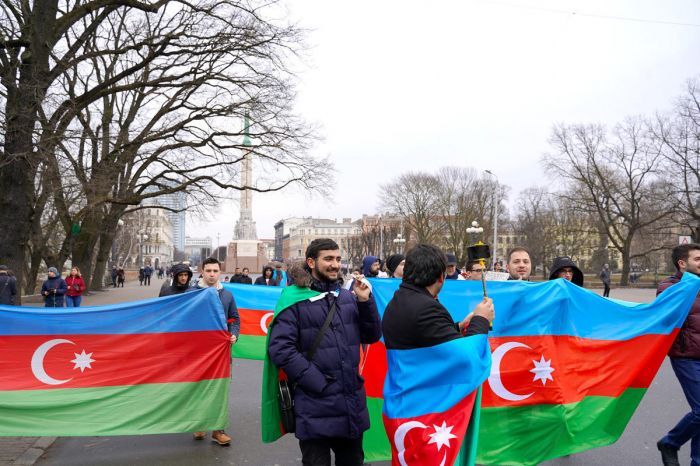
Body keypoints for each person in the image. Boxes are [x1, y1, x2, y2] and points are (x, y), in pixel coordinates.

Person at [268, 238, 382, 465]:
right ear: (311, 262)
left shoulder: (349, 298)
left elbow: (371, 336)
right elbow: (280, 349)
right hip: (314, 403)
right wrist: (317, 381)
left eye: (338, 259)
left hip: (350, 403)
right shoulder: (293, 301)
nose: (335, 264)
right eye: (328, 259)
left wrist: (365, 302)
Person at [382, 244, 494, 349]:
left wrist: (460, 326)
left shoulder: (398, 299)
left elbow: (428, 336)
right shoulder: (427, 309)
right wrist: (481, 319)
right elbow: (467, 355)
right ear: (441, 277)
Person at [656, 243, 700, 466]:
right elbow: (666, 315)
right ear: (683, 264)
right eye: (698, 259)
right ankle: (670, 443)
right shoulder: (669, 287)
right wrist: (689, 284)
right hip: (686, 355)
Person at [192, 257, 240, 445]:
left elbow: (235, 318)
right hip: (198, 352)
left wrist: (234, 334)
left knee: (220, 390)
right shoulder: (191, 293)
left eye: (215, 271)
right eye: (208, 271)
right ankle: (199, 423)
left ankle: (218, 430)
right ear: (202, 272)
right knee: (198, 388)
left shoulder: (227, 295)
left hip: (221, 352)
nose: (212, 274)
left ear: (220, 273)